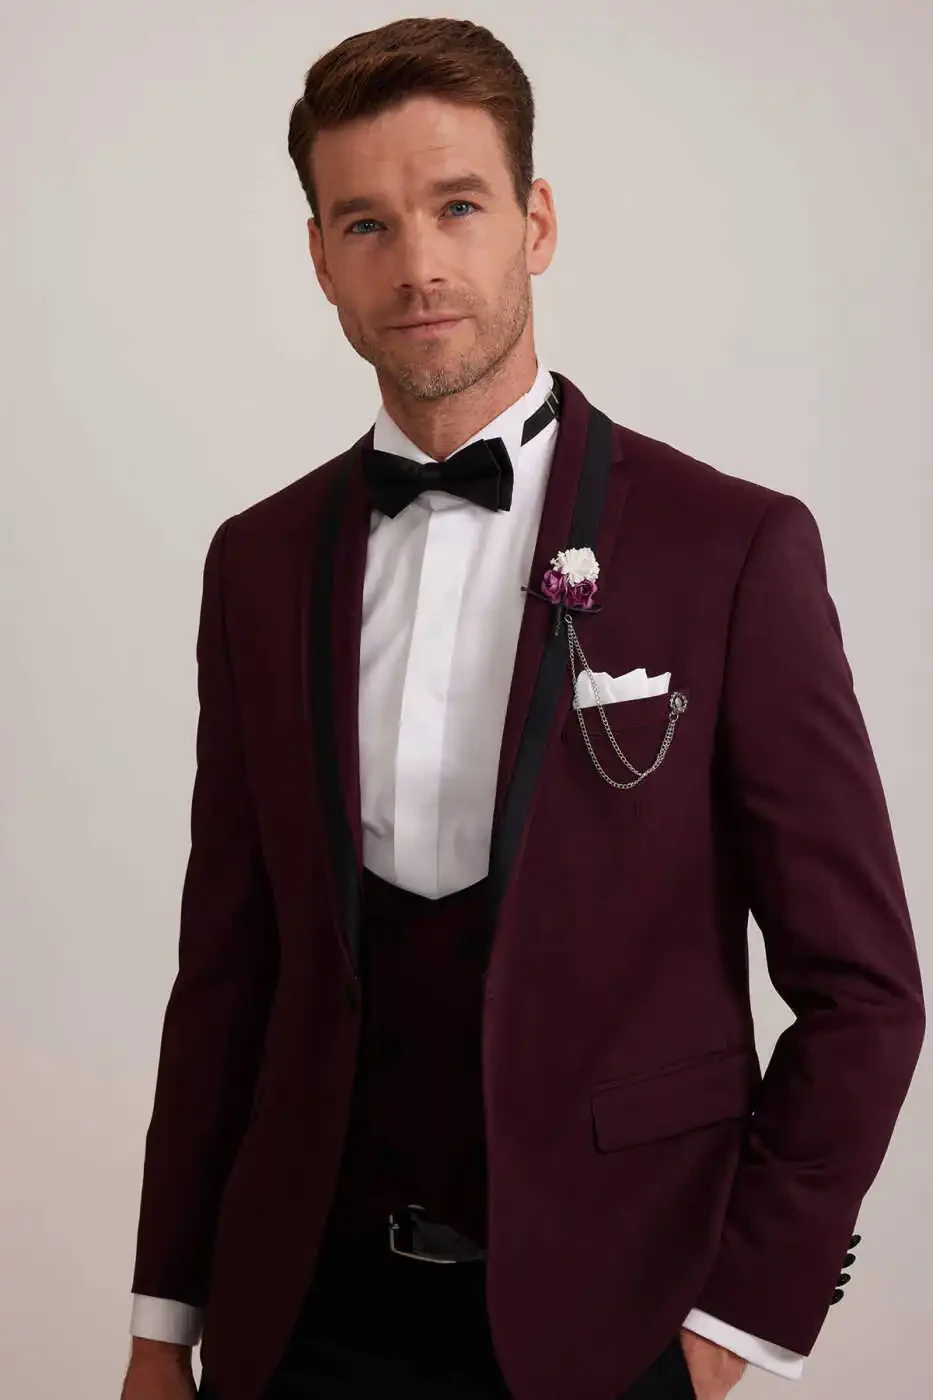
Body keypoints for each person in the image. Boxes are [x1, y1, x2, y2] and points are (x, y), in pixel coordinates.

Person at [120, 17, 925, 1400]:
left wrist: (730, 1330)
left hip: (613, 1326)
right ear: (319, 258)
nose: (418, 264)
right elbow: (226, 974)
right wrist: (163, 1324)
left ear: (535, 223)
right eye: (366, 224)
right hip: (302, 1319)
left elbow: (864, 993)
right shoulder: (256, 563)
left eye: (458, 207)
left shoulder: (730, 549)